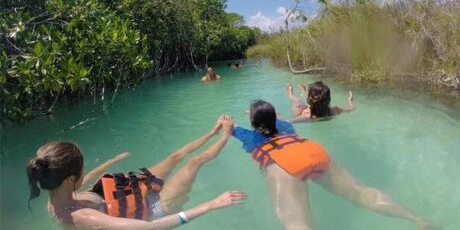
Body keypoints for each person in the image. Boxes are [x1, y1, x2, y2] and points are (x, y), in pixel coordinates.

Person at [232, 100, 437, 230]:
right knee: (360, 192)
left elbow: (229, 127)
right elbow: (275, 119)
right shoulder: (286, 125)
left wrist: (228, 123)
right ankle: (417, 219)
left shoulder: (248, 137)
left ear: (253, 122)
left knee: (296, 223)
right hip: (313, 152)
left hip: (285, 165)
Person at [27, 116, 247, 229]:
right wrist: (211, 205)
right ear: (71, 179)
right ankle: (226, 135)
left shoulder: (56, 191)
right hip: (151, 208)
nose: (86, 171)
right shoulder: (81, 216)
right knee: (194, 163)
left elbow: (90, 177)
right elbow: (149, 227)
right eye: (82, 168)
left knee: (174, 157)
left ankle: (211, 132)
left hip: (129, 189)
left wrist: (112, 161)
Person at [286, 81, 355, 123]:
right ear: (328, 99)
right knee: (317, 98)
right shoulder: (335, 110)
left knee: (297, 102)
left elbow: (289, 122)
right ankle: (304, 92)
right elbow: (352, 108)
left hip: (302, 112)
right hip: (315, 109)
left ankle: (290, 93)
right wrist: (350, 101)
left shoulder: (305, 117)